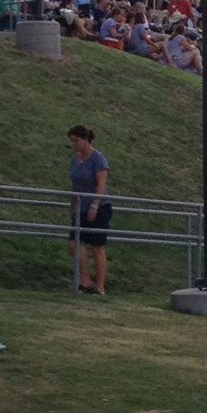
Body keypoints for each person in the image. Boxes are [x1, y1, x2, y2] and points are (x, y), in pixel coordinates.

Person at [67, 124, 111, 296]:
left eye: (76, 141)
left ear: (85, 140)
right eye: (72, 141)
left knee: (97, 246)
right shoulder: (75, 160)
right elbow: (75, 184)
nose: (74, 145)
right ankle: (85, 279)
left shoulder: (98, 158)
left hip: (99, 207)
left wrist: (95, 205)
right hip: (81, 207)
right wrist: (72, 205)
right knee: (73, 243)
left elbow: (101, 184)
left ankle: (100, 287)